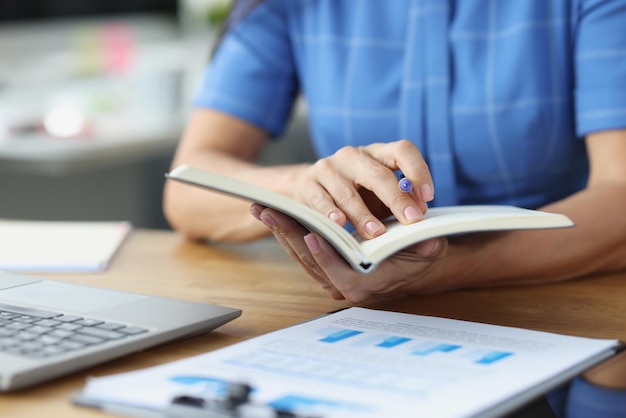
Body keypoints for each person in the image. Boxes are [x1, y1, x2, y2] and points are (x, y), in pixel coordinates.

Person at [163, 2, 626, 415]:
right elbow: (187, 190)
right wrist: (301, 187)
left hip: (561, 309)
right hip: (371, 331)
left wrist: (450, 268)